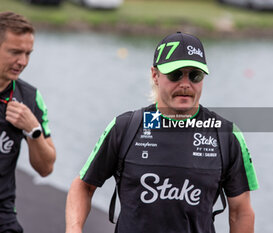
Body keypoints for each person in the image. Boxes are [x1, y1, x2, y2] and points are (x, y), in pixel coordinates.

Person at [65, 32, 258, 233]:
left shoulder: (226, 135)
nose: (185, 84)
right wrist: (74, 229)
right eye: (175, 74)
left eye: (195, 75)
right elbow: (83, 186)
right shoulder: (125, 127)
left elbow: (240, 211)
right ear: (155, 75)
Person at [0, 12, 56, 233]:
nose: (22, 62)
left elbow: (46, 168)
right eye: (15, 52)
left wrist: (33, 130)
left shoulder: (30, 97)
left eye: (27, 54)